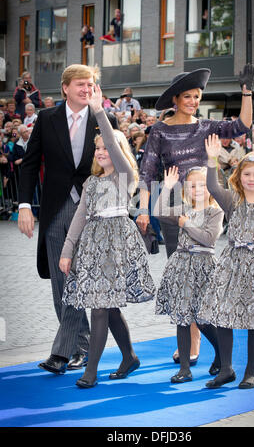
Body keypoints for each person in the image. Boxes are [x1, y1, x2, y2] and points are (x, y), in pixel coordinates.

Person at [137, 64, 254, 363]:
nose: (193, 101)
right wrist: (142, 209)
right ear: (175, 100)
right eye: (187, 96)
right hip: (174, 206)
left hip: (206, 205)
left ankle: (212, 347)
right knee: (183, 278)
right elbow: (148, 171)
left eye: (197, 96)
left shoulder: (207, 127)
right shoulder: (160, 130)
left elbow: (242, 125)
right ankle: (191, 343)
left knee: (204, 281)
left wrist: (247, 91)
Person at [59, 84, 156, 388]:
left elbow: (115, 147)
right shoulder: (91, 182)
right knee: (108, 305)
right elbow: (78, 218)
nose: (102, 152)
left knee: (100, 306)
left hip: (117, 245)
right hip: (92, 245)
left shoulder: (124, 176)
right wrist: (66, 250)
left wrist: (99, 112)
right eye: (98, 148)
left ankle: (92, 371)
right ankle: (129, 356)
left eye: (107, 147)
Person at [17, 64, 102, 375]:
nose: (86, 89)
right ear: (66, 88)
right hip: (55, 211)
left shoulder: (101, 118)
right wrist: (25, 204)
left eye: (90, 84)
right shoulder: (47, 118)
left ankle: (63, 352)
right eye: (80, 84)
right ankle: (83, 345)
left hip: (91, 212)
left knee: (77, 281)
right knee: (61, 283)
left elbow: (118, 163)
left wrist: (102, 115)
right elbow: (29, 164)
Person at [197, 134, 254, 389]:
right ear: (239, 176)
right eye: (247, 174)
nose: (251, 179)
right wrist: (212, 160)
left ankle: (251, 371)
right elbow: (213, 187)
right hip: (232, 263)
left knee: (253, 319)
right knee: (222, 314)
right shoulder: (232, 199)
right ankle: (226, 368)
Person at [154, 165, 224, 383]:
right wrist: (165, 188)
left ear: (211, 187)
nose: (197, 189)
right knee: (182, 318)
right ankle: (185, 368)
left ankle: (222, 355)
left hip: (203, 266)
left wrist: (187, 224)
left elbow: (209, 238)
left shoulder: (215, 211)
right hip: (182, 265)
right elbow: (158, 213)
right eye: (192, 185)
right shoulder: (183, 208)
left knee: (202, 319)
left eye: (202, 184)